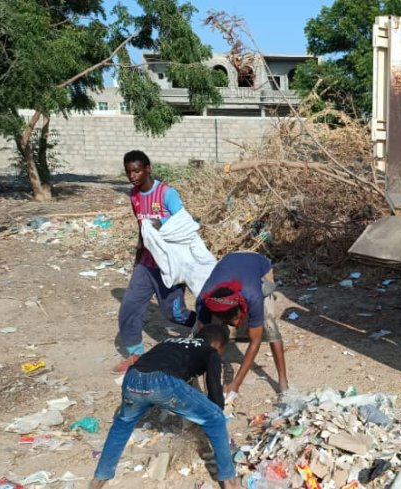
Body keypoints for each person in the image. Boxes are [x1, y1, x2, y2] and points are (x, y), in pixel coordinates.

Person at [90, 325, 239, 489]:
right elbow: (214, 392)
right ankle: (229, 481)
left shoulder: (169, 341)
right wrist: (214, 413)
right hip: (162, 382)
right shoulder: (210, 351)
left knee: (122, 425)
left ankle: (98, 479)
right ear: (219, 345)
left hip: (132, 378)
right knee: (215, 419)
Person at [114, 150, 197, 373]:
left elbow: (184, 226)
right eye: (129, 172)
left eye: (137, 170)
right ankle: (136, 355)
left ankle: (206, 324)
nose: (133, 176)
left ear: (148, 168)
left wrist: (159, 224)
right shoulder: (133, 196)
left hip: (169, 264)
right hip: (146, 263)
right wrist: (137, 258)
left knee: (175, 314)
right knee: (129, 308)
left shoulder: (167, 193)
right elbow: (142, 229)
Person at [195, 252, 288, 396]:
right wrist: (212, 391)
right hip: (230, 262)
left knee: (270, 326)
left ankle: (283, 383)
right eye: (231, 322)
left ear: (242, 307)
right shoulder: (203, 302)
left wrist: (236, 383)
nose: (238, 325)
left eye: (238, 318)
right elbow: (206, 346)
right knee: (205, 339)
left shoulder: (253, 296)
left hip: (259, 266)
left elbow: (255, 341)